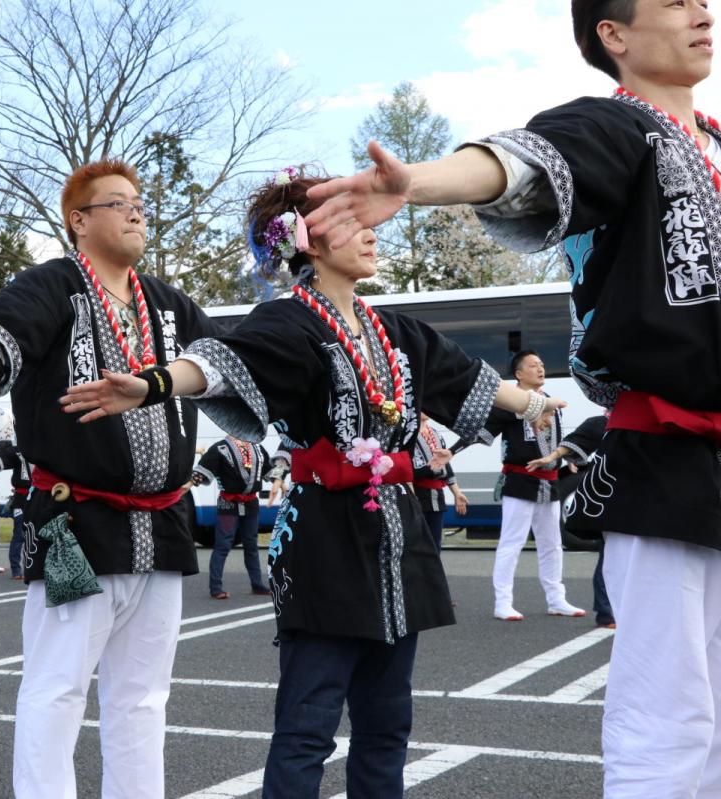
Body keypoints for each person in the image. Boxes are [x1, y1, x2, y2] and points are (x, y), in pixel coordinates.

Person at [302, 0, 721, 791]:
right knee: (669, 719)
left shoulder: (717, 148)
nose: (702, 10)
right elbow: (519, 161)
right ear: (614, 33)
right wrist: (417, 182)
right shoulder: (615, 127)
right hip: (667, 463)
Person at [61, 167, 564, 798]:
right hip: (324, 535)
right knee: (308, 724)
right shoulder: (289, 323)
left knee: (389, 724)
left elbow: (472, 383)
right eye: (351, 221)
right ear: (307, 240)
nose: (372, 233)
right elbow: (219, 363)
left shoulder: (398, 332)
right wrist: (153, 383)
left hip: (396, 538)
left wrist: (540, 407)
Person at [0, 158, 218, 799]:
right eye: (119, 203)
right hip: (76, 524)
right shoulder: (54, 286)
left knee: (144, 698)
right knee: (57, 688)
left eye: (140, 201)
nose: (137, 211)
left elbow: (225, 363)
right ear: (79, 221)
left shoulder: (171, 306)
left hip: (162, 525)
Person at [454, 350, 583, 620]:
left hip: (551, 482)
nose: (540, 369)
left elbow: (558, 439)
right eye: (533, 365)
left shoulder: (549, 401)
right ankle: (503, 602)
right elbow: (482, 431)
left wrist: (568, 458)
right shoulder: (509, 404)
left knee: (552, 544)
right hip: (520, 480)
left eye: (542, 364)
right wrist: (452, 451)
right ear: (519, 374)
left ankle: (556, 599)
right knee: (512, 542)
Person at [527, 414, 612, 627]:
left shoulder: (645, 420)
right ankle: (606, 611)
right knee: (610, 555)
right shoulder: (601, 423)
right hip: (612, 497)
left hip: (640, 496)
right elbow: (575, 441)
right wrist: (552, 457)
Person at [191, 434, 274, 599]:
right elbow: (202, 472)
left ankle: (257, 584)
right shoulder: (220, 448)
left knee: (251, 544)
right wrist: (189, 484)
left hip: (251, 503)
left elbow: (270, 469)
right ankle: (215, 588)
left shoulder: (256, 447)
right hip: (228, 503)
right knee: (223, 544)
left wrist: (280, 478)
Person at [412, 413, 468, 553]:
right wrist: (429, 469)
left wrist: (457, 492)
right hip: (417, 494)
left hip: (437, 496)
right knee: (418, 542)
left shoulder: (435, 433)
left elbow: (445, 464)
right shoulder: (408, 434)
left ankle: (434, 574)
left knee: (435, 543)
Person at [0, 436, 33, 580]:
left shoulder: (43, 450)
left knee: (36, 535)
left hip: (38, 497)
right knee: (19, 534)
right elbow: (2, 458)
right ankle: (16, 569)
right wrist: (3, 443)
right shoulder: (18, 452)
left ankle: (33, 568)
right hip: (21, 498)